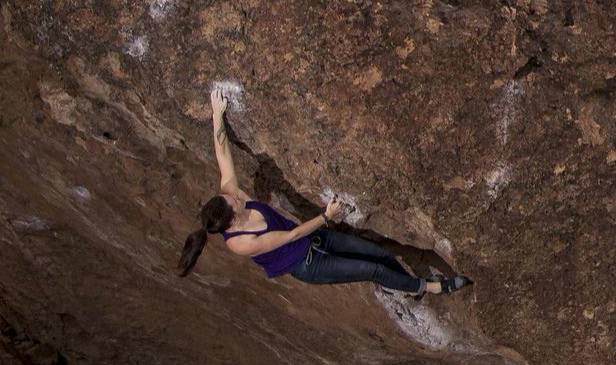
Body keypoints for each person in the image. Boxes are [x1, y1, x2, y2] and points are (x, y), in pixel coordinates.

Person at [177, 87, 472, 297]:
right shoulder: (239, 243)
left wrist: (217, 115)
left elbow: (222, 155)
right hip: (308, 263)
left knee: (379, 255)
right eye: (231, 201)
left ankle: (409, 284)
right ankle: (428, 287)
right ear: (231, 220)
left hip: (313, 237)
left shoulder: (233, 200)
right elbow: (289, 237)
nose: (234, 194)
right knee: (371, 270)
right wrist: (326, 216)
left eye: (230, 196)